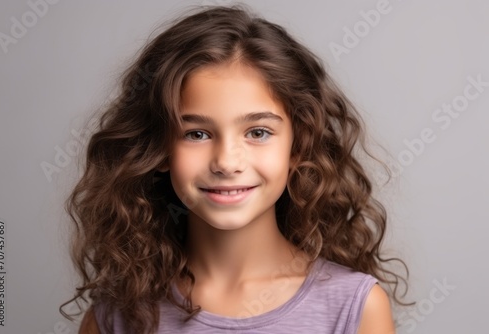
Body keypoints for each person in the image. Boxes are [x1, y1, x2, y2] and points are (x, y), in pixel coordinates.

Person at [61, 5, 408, 334]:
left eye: (258, 133)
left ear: (298, 146)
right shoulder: (117, 316)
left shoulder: (356, 308)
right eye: (197, 134)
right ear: (161, 149)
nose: (226, 162)